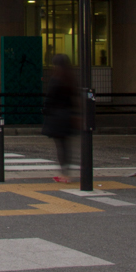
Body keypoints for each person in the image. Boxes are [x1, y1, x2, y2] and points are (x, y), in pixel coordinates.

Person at [42, 53, 79, 183]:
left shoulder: (55, 79)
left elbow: (49, 98)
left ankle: (64, 173)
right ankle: (66, 173)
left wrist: (45, 111)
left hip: (56, 116)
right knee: (65, 145)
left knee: (60, 146)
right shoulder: (70, 78)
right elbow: (74, 98)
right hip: (67, 115)